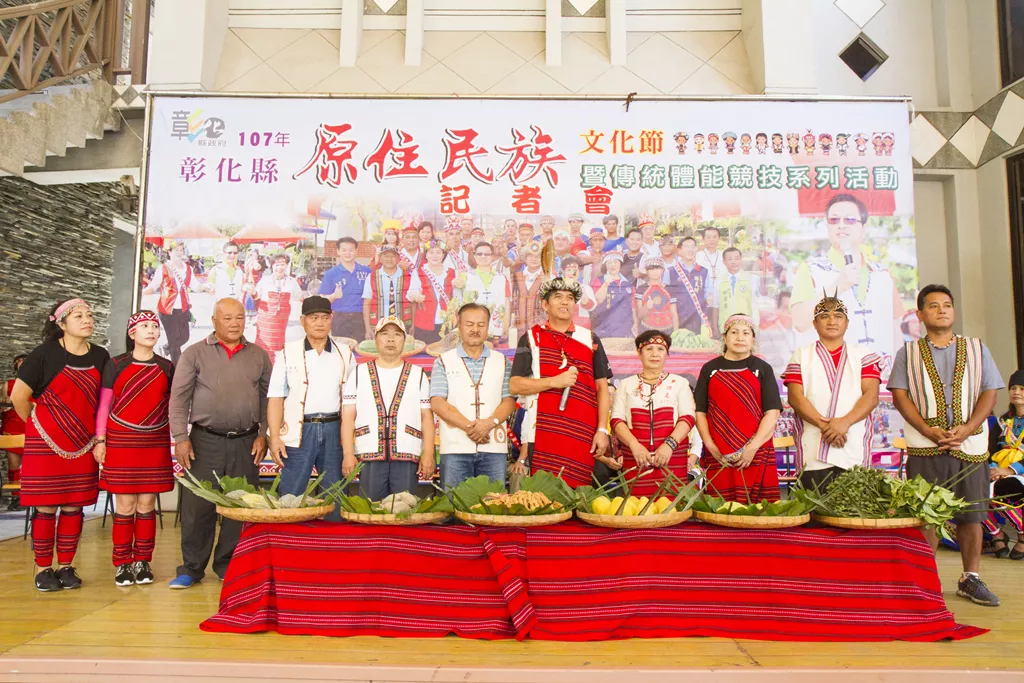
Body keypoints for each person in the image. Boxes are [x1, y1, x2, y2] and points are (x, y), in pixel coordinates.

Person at [888, 284, 1002, 607]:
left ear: (954, 311)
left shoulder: (977, 348)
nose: (942, 310)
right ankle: (927, 581)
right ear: (921, 314)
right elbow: (900, 396)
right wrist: (927, 429)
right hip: (926, 446)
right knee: (927, 515)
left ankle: (970, 579)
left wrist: (968, 429)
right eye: (934, 306)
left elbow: (990, 392)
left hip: (971, 445)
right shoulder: (907, 353)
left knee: (972, 515)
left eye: (947, 305)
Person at [168, 298, 271, 589]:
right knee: (198, 507)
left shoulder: (259, 355)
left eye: (239, 318)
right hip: (204, 441)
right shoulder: (194, 353)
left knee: (240, 506)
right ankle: (191, 568)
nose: (235, 324)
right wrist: (180, 438)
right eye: (227, 318)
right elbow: (179, 399)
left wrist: (263, 433)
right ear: (214, 321)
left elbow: (268, 399)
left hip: (247, 441)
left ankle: (228, 565)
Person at [10, 299, 109, 592]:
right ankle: (43, 568)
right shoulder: (43, 354)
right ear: (61, 323)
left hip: (82, 443)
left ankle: (66, 565)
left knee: (73, 505)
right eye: (78, 316)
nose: (87, 319)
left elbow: (104, 400)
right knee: (45, 506)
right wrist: (39, 425)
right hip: (46, 442)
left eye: (89, 315)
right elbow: (19, 397)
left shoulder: (101, 356)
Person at [93, 311, 174, 586]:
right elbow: (104, 405)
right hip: (121, 441)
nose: (151, 330)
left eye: (155, 326)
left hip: (154, 442)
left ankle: (143, 561)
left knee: (147, 504)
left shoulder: (167, 367)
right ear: (132, 333)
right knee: (125, 505)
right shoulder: (116, 364)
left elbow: (172, 405)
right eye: (144, 326)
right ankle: (122, 563)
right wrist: (100, 440)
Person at [509, 277, 613, 487]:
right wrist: (553, 382)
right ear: (545, 304)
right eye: (558, 297)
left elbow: (602, 387)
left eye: (570, 298)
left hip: (583, 431)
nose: (565, 302)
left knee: (581, 494)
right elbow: (515, 385)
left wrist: (602, 430)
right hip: (542, 432)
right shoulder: (531, 338)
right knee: (544, 495)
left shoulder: (590, 339)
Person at [782, 294, 881, 491]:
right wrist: (827, 427)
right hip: (813, 447)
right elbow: (795, 398)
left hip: (853, 444)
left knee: (855, 507)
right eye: (824, 316)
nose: (832, 321)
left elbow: (871, 396)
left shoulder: (863, 355)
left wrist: (844, 423)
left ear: (847, 323)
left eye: (838, 316)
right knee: (814, 507)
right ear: (814, 323)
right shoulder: (801, 355)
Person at [791, 194, 904, 366]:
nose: (841, 225)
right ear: (827, 227)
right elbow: (800, 322)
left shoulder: (883, 274)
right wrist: (837, 286)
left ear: (863, 227)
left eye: (850, 220)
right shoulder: (810, 269)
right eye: (834, 220)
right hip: (831, 373)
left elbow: (896, 327)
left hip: (880, 374)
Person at [267, 296, 354, 511]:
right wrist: (275, 437)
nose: (320, 323)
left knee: (335, 495)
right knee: (291, 494)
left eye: (325, 317)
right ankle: (288, 532)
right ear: (302, 320)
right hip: (299, 431)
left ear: (331, 319)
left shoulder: (345, 353)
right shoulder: (287, 352)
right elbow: (276, 397)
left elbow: (351, 402)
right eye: (313, 318)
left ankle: (333, 532)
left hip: (334, 429)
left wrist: (349, 444)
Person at [341, 317, 434, 500]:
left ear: (404, 340)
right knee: (370, 509)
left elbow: (426, 417)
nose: (390, 339)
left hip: (407, 453)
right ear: (376, 339)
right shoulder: (358, 373)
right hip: (369, 454)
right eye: (384, 334)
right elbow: (348, 417)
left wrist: (429, 453)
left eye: (397, 335)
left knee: (404, 508)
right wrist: (348, 454)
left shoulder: (418, 375)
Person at [694, 314, 782, 503]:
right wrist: (710, 445)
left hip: (756, 451)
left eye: (746, 333)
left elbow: (772, 413)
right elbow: (700, 411)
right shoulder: (709, 369)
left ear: (753, 339)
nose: (740, 338)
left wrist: (752, 448)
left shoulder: (763, 369)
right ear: (724, 338)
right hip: (718, 453)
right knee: (719, 509)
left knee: (759, 511)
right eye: (734, 332)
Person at [431, 304, 516, 488]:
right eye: (469, 324)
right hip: (455, 448)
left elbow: (509, 401)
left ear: (487, 327)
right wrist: (470, 428)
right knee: (454, 501)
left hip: (493, 447)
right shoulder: (443, 361)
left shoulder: (503, 362)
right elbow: (437, 402)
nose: (475, 329)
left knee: (493, 501)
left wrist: (489, 423)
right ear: (459, 326)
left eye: (481, 324)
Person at [610, 331, 697, 494]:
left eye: (660, 349)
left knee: (672, 505)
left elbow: (688, 418)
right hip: (637, 460)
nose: (655, 354)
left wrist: (669, 446)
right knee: (636, 506)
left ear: (667, 354)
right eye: (649, 349)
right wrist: (635, 446)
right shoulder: (626, 384)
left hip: (671, 460)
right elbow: (616, 420)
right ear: (639, 353)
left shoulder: (679, 383)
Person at [985, 369, 1024, 559]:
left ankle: (1022, 534)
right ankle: (997, 535)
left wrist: (1009, 469)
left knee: (1005, 487)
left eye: (1022, 388)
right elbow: (990, 450)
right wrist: (994, 469)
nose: (1016, 392)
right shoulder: (1002, 421)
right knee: (971, 491)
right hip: (999, 471)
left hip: (1019, 473)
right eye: (1013, 388)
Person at [143, 242, 201, 364]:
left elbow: (196, 286)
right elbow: (153, 286)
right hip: (167, 310)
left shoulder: (188, 269)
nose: (179, 253)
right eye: (176, 250)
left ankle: (166, 348)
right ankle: (176, 370)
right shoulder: (163, 268)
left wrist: (206, 288)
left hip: (183, 309)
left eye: (181, 250)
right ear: (169, 252)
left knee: (184, 337)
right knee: (174, 342)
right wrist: (140, 293)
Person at [363, 245, 421, 340]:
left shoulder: (408, 276)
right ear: (380, 259)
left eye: (393, 256)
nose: (389, 259)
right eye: (385, 256)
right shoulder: (372, 277)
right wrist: (368, 328)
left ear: (398, 258)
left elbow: (413, 303)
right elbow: (366, 303)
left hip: (403, 326)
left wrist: (413, 325)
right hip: (379, 326)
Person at [251, 253, 304, 359]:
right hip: (265, 319)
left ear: (287, 265)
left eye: (282, 264)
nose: (279, 267)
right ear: (272, 265)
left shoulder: (292, 282)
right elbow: (256, 296)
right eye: (277, 264)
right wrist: (252, 292)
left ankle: (275, 365)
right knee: (263, 345)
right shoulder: (265, 280)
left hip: (281, 320)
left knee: (278, 347)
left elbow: (299, 297)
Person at [319, 237, 372, 339]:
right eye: (344, 250)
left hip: (361, 318)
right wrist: (334, 296)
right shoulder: (331, 274)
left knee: (360, 347)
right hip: (339, 318)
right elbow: (322, 302)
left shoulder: (366, 271)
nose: (347, 253)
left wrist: (368, 328)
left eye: (351, 250)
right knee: (340, 347)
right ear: (338, 251)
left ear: (356, 251)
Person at [461, 241, 511, 342]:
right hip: (473, 330)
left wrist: (506, 326)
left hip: (497, 331)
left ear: (492, 257)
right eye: (479, 254)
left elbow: (507, 303)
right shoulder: (465, 277)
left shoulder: (502, 278)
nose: (483, 256)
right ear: (474, 256)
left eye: (487, 254)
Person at [413, 241, 456, 344]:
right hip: (424, 323)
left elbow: (456, 297)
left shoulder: (451, 272)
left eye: (438, 252)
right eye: (431, 252)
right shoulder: (418, 271)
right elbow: (411, 292)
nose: (435, 255)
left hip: (447, 322)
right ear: (426, 255)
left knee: (447, 350)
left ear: (443, 255)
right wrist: (415, 296)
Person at [1, 354, 27, 510]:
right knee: (13, 463)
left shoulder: (38, 384)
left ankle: (32, 495)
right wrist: (4, 405)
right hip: (12, 425)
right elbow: (3, 404)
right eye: (19, 363)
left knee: (32, 464)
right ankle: (16, 498)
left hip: (31, 425)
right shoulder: (9, 384)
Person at [671, 236, 711, 335]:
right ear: (679, 250)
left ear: (696, 249)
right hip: (677, 320)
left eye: (693, 247)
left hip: (698, 320)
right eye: (687, 246)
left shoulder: (704, 271)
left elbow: (708, 297)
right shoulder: (671, 271)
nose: (690, 250)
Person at [591, 252, 635, 339]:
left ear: (620, 264)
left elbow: (633, 307)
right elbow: (596, 301)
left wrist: (635, 324)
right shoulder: (599, 281)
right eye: (609, 262)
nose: (612, 265)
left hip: (624, 329)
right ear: (605, 265)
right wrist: (606, 284)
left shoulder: (628, 283)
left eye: (615, 262)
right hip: (603, 329)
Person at [716, 247, 759, 334]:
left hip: (746, 326)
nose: (734, 262)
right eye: (730, 259)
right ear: (724, 262)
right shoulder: (719, 281)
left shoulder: (752, 279)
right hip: (725, 327)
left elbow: (755, 304)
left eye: (737, 258)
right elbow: (716, 305)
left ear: (741, 259)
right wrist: (715, 326)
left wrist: (756, 324)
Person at [510, 242, 548, 333]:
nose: (534, 259)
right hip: (517, 330)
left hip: (540, 330)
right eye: (530, 256)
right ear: (525, 258)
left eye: (537, 256)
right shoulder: (514, 278)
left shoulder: (548, 279)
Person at [634, 258, 677, 333]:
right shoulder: (641, 289)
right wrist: (646, 306)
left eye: (657, 268)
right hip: (646, 330)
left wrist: (675, 334)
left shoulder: (670, 289)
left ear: (663, 270)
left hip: (667, 331)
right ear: (646, 271)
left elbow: (674, 314)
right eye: (651, 269)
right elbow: (639, 315)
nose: (654, 272)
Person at [695, 227, 723, 336]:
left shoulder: (723, 255)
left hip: (720, 292)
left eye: (715, 237)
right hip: (704, 294)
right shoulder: (698, 256)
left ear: (719, 238)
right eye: (709, 237)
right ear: (703, 239)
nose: (712, 240)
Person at [560, 257, 596, 329]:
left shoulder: (585, 288)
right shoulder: (557, 289)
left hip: (581, 326)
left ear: (579, 272)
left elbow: (592, 307)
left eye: (575, 270)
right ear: (563, 272)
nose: (572, 273)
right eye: (569, 270)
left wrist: (587, 302)